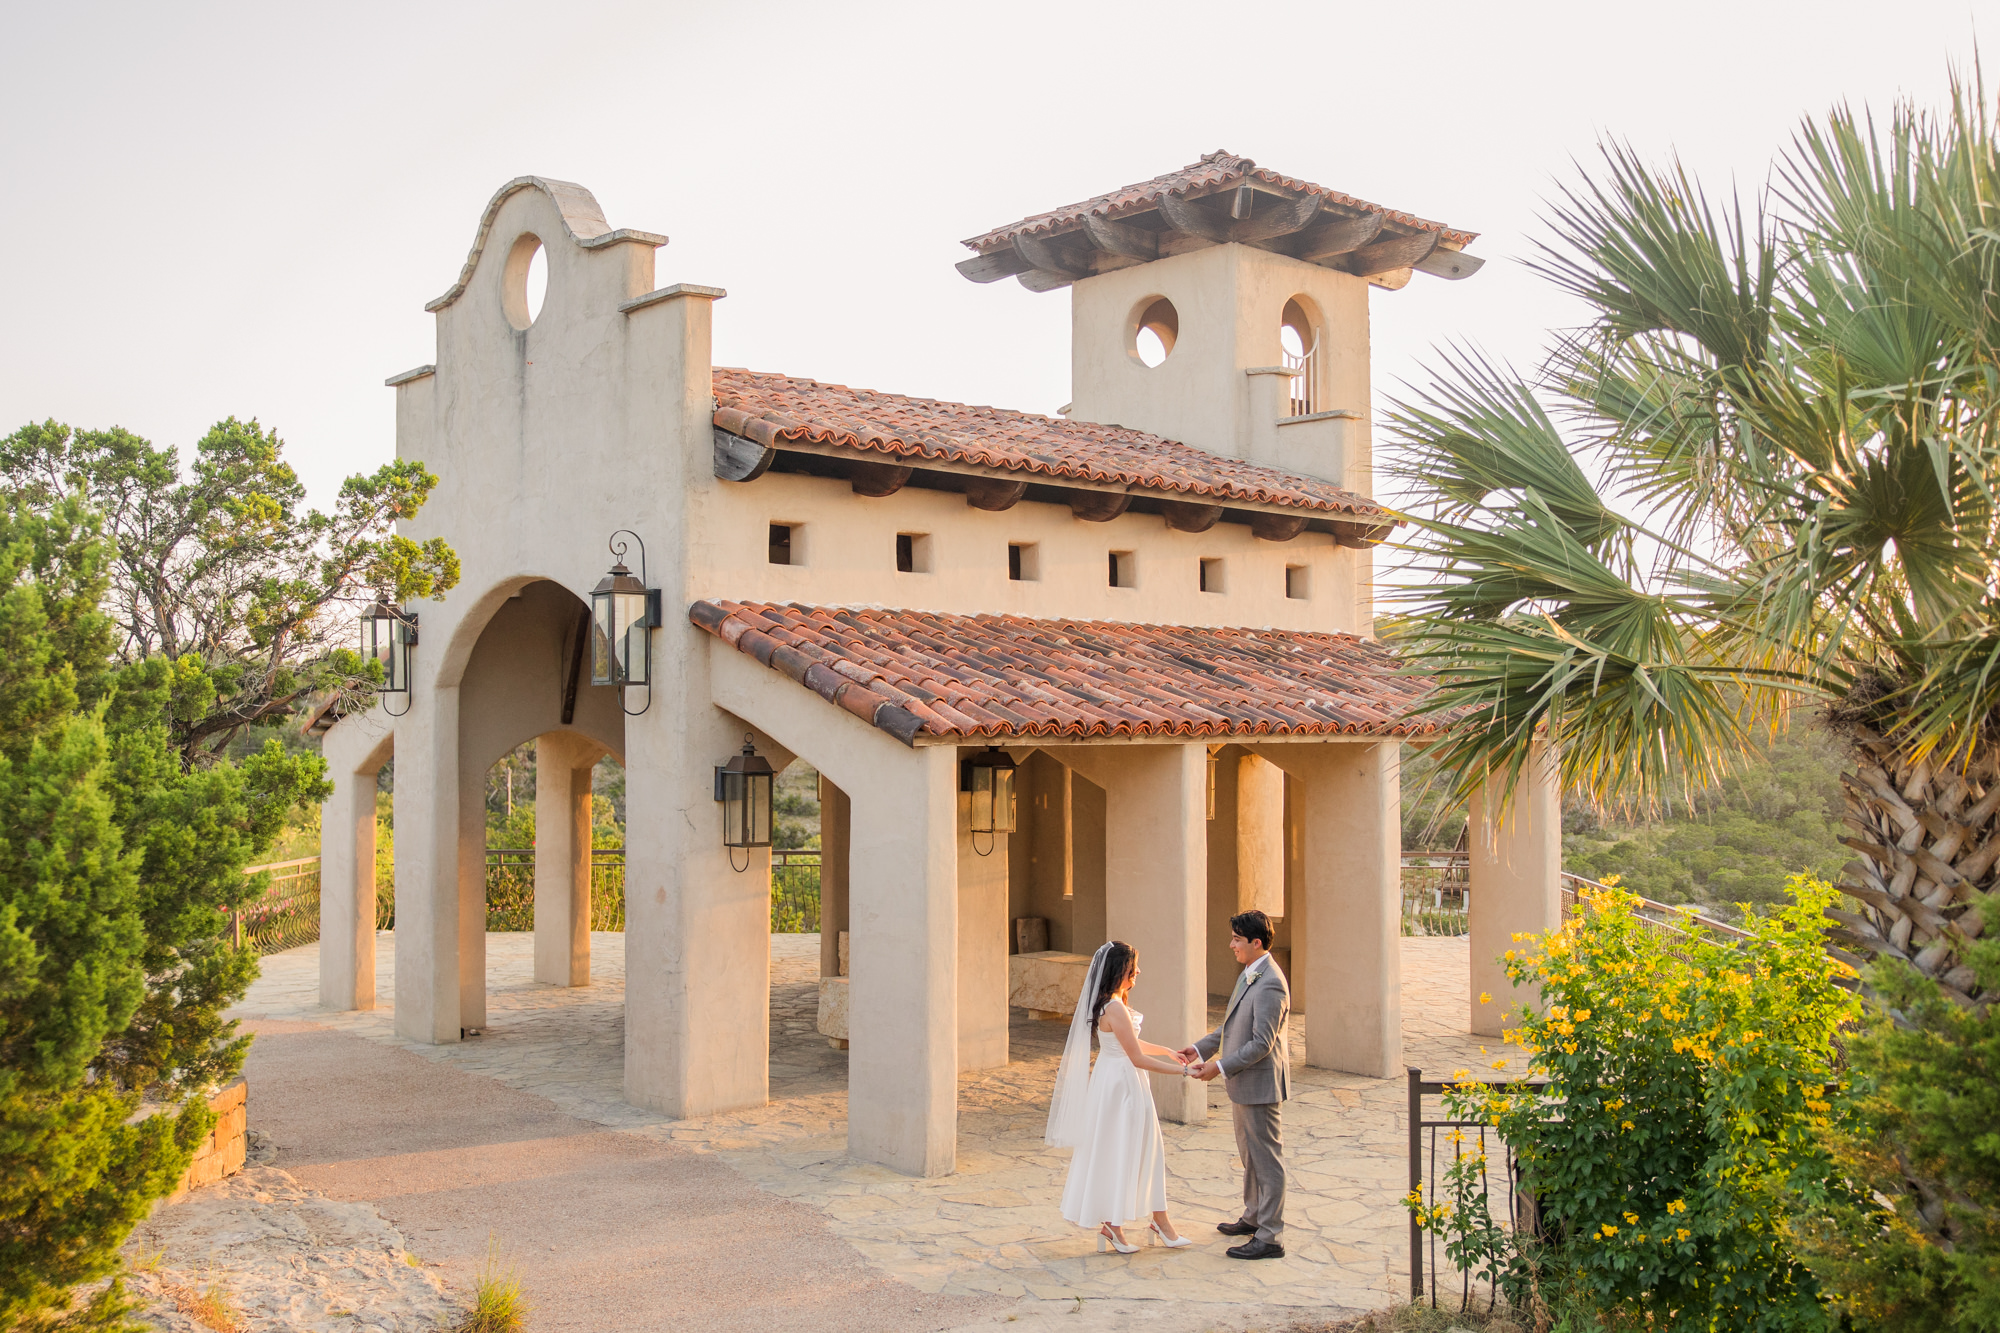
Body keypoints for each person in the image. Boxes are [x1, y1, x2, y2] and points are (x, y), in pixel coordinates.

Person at [1045, 940, 1198, 1253]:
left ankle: (1146, 1222)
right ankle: (1127, 1224)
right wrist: (1183, 1073)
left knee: (1132, 1148)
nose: (1138, 972)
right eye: (1132, 967)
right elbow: (1136, 1058)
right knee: (1129, 1149)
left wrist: (1168, 1052)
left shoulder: (1109, 1002)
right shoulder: (1114, 1007)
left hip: (1113, 1079)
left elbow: (1132, 1045)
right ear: (1119, 971)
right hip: (1124, 1087)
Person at [1179, 910, 1290, 1260]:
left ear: (1256, 943)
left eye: (1237, 940)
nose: (1231, 945)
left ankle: (1270, 1236)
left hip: (1260, 1086)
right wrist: (1199, 1048)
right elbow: (1230, 1026)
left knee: (1267, 1161)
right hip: (1243, 1085)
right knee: (1250, 1157)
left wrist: (1218, 1067)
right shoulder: (1249, 974)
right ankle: (1254, 1216)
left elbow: (1262, 1043)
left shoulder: (1271, 981)